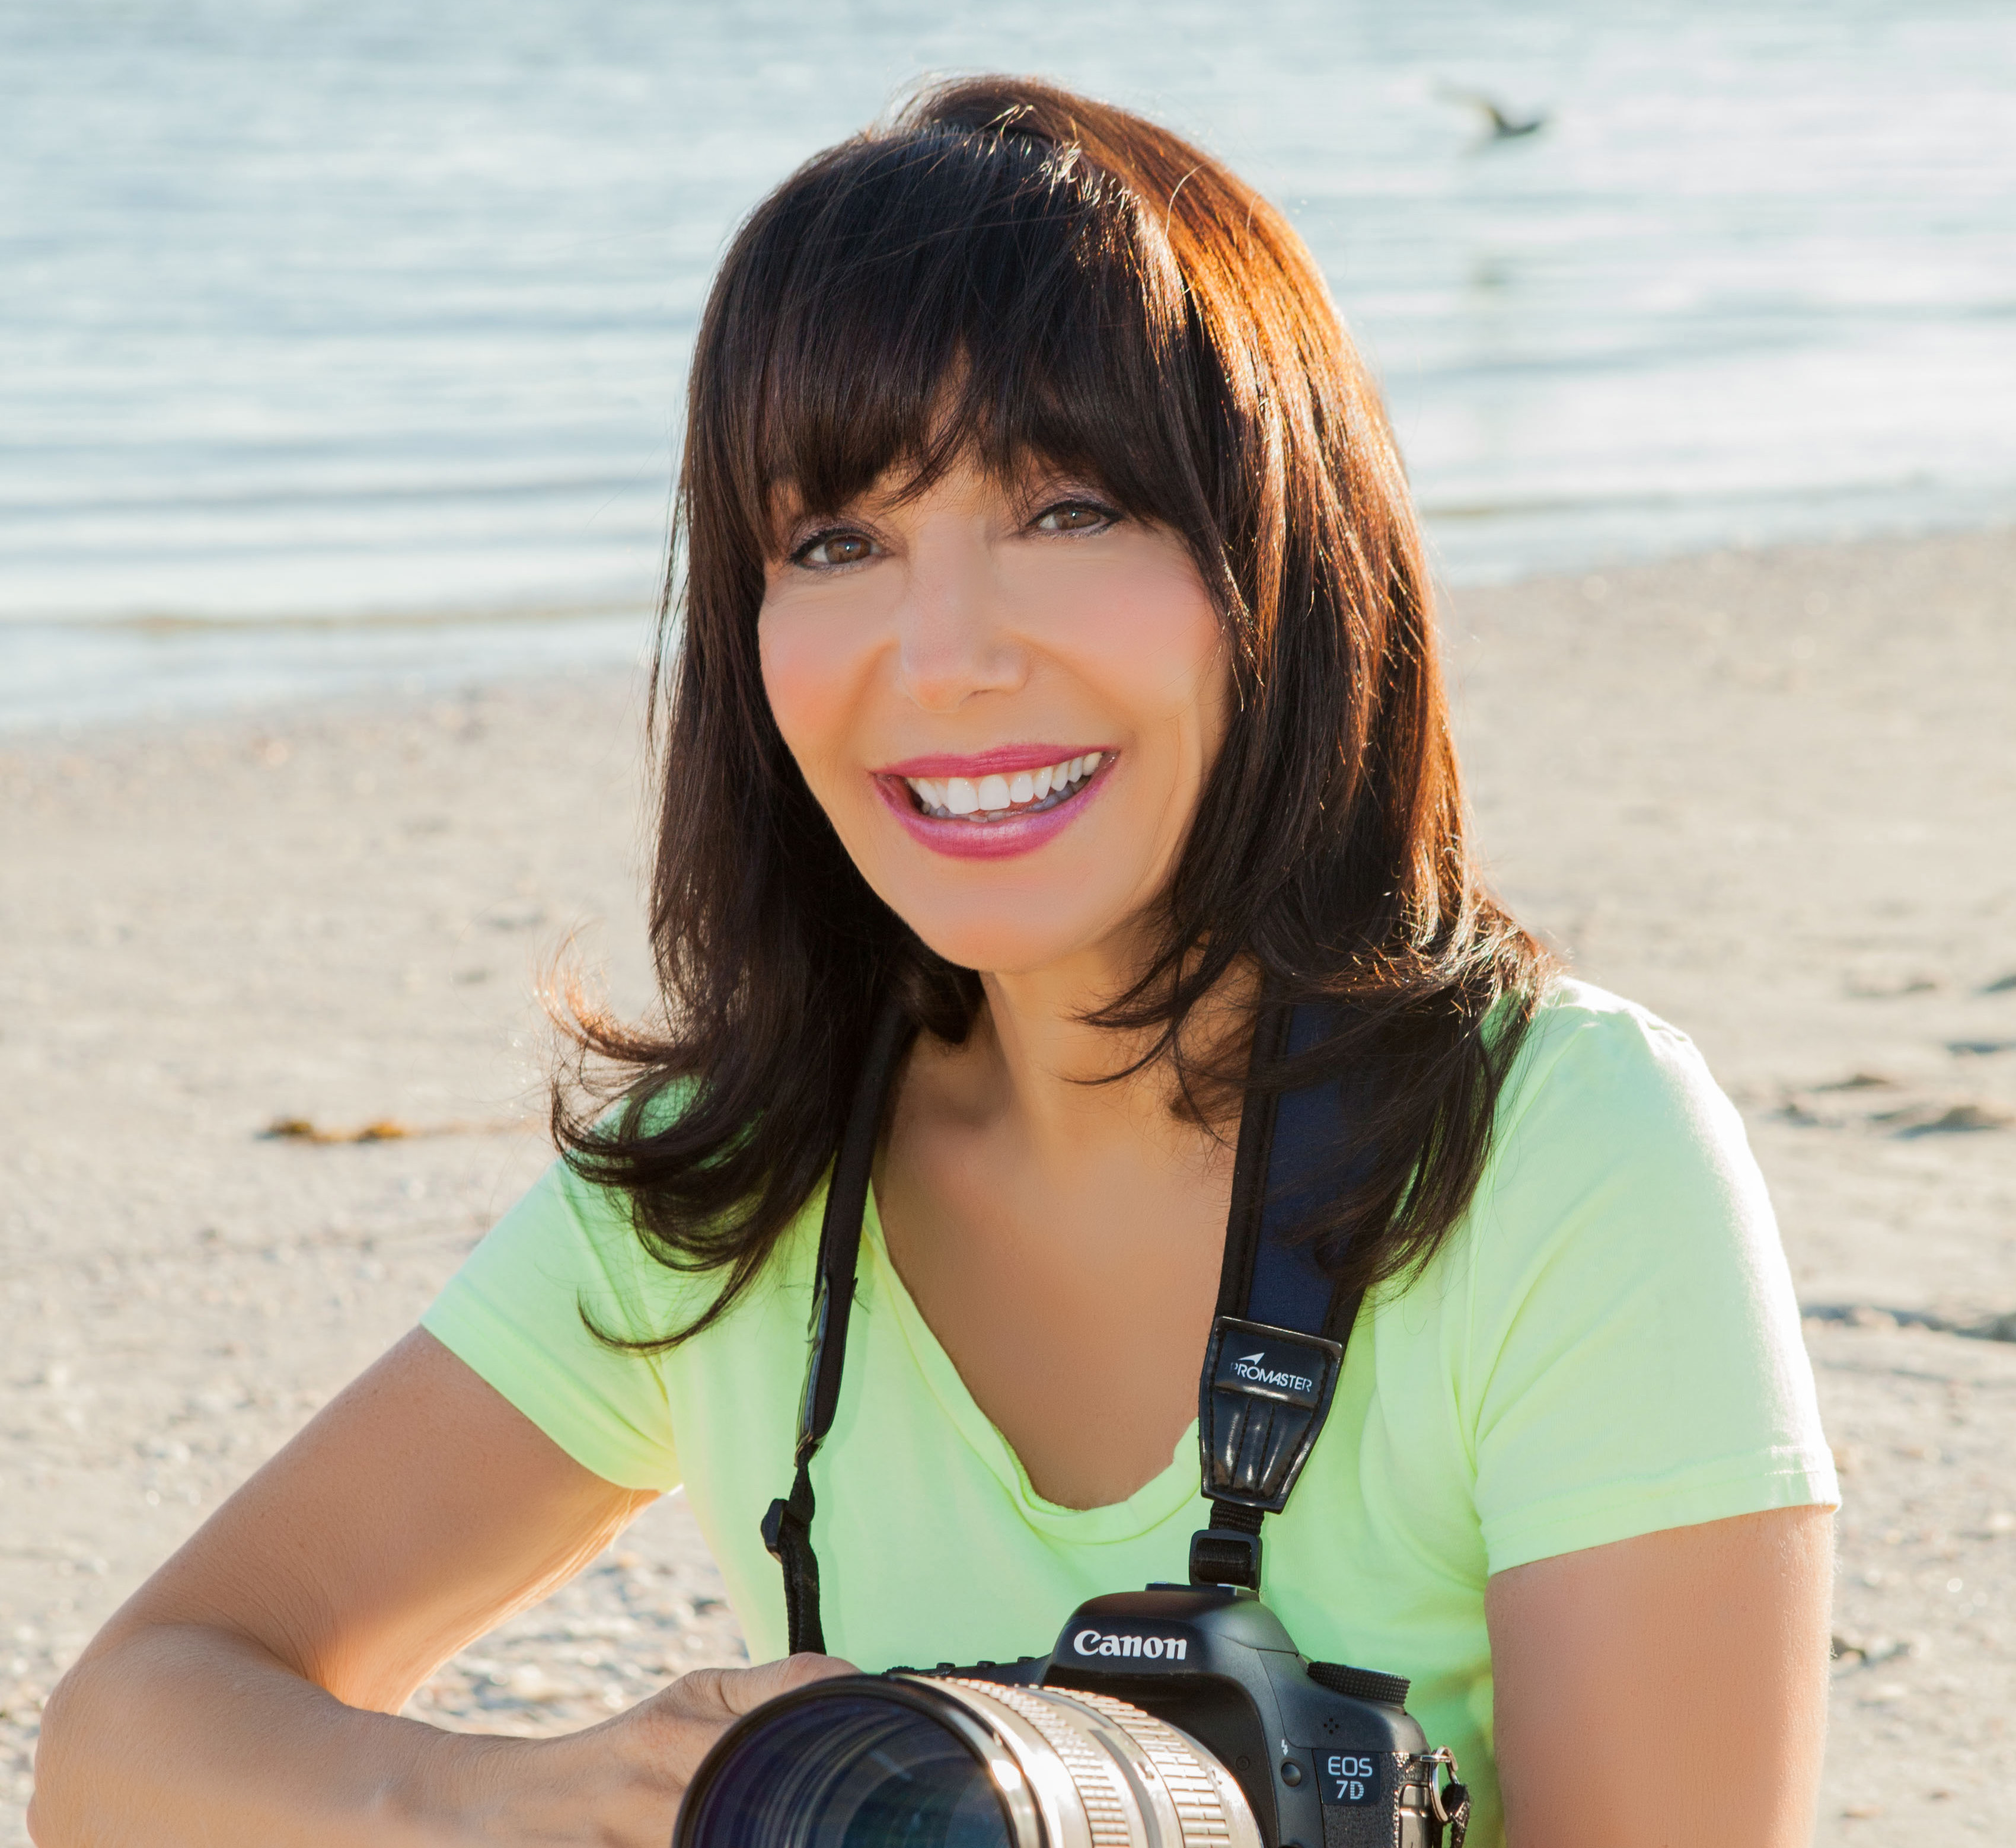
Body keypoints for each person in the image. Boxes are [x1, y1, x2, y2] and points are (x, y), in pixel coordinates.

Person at [31, 78, 1838, 1848]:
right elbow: (125, 1745)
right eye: (838, 541)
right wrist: (522, 1801)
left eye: (1071, 510)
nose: (946, 654)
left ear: (1282, 564)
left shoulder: (1550, 1149)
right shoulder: (735, 1183)